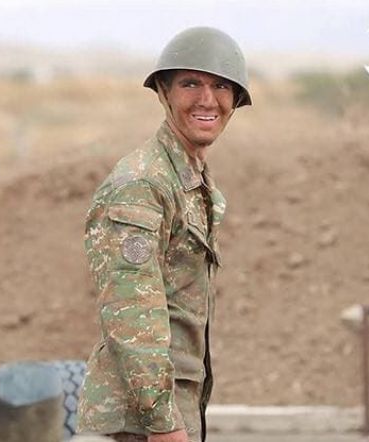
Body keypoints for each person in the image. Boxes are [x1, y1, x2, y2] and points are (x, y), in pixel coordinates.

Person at [76, 27, 252, 442]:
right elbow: (131, 309)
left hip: (169, 408)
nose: (207, 99)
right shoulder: (143, 184)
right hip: (138, 422)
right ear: (164, 93)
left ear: (235, 100)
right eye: (191, 84)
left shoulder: (189, 180)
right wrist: (162, 420)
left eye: (221, 86)